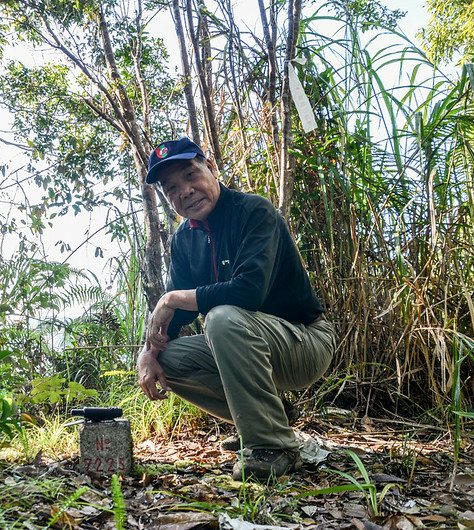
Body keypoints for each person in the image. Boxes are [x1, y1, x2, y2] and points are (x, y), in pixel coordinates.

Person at [136, 137, 336, 482]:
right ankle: (269, 418)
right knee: (168, 359)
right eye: (172, 188)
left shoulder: (253, 212)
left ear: (210, 168)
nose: (185, 191)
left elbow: (248, 292)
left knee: (222, 317)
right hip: (245, 343)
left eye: (190, 175)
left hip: (305, 341)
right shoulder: (185, 239)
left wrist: (169, 299)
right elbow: (177, 315)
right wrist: (147, 352)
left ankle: (272, 448)